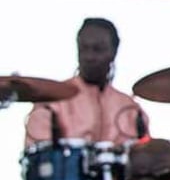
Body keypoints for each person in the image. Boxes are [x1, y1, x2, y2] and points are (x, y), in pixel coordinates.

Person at [25, 17, 149, 145]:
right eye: (84, 48)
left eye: (98, 49)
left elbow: (145, 155)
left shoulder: (131, 109)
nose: (89, 57)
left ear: (114, 52)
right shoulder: (51, 102)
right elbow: (39, 158)